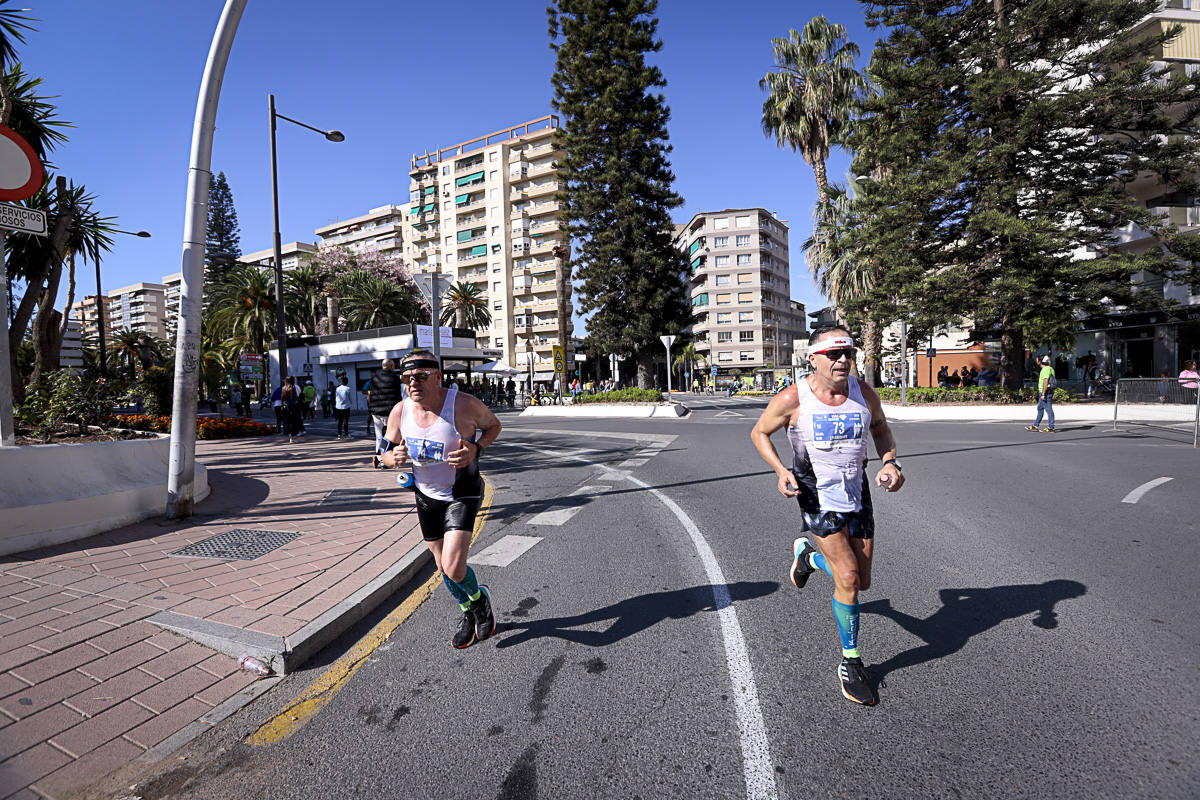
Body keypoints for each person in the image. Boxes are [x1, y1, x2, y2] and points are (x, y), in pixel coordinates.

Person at [750, 325, 905, 706]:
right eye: (834, 354)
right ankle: (850, 662)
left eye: (848, 354)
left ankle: (808, 557)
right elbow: (759, 433)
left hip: (857, 492)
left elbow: (882, 431)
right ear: (813, 358)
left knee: (862, 582)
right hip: (816, 495)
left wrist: (890, 464)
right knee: (849, 577)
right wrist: (781, 471)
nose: (842, 361)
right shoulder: (792, 398)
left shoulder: (863, 393)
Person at [379, 350, 503, 649]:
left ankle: (480, 601)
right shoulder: (401, 411)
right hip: (426, 495)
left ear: (437, 376)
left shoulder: (463, 404)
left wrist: (476, 449)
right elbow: (382, 450)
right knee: (441, 566)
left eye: (420, 377)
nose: (413, 384)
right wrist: (389, 458)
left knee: (454, 566)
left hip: (462, 491)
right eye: (407, 378)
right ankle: (469, 610)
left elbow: (494, 426)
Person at [367, 358, 405, 469]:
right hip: (391, 412)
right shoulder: (396, 378)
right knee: (390, 437)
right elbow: (402, 395)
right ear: (392, 366)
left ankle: (378, 457)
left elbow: (369, 395)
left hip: (376, 412)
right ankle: (385, 460)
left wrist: (372, 407)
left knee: (379, 436)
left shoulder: (374, 379)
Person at [1026, 354, 1056, 433]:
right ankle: (1035, 426)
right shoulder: (1050, 368)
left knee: (1048, 409)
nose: (1036, 361)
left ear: (1040, 361)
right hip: (1045, 392)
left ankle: (1051, 427)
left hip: (1045, 393)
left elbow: (1045, 382)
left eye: (1037, 359)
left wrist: (1043, 394)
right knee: (1040, 408)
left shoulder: (1045, 369)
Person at [281, 376, 303, 444]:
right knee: (295, 422)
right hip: (293, 407)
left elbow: (282, 398)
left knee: (288, 422)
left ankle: (289, 435)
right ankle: (293, 438)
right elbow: (297, 397)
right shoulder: (294, 387)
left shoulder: (284, 388)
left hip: (286, 407)